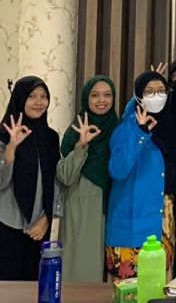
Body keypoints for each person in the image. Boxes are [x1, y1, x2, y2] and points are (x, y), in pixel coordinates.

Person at [0, 76, 61, 281]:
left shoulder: (51, 138)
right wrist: (11, 147)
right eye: (32, 96)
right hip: (3, 225)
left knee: (32, 289)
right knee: (3, 290)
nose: (39, 102)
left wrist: (47, 217)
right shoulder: (1, 135)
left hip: (37, 228)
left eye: (44, 96)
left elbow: (55, 182)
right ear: (20, 98)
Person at [106, 71, 176, 279]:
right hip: (132, 226)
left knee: (160, 287)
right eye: (149, 91)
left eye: (161, 90)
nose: (156, 96)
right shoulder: (126, 128)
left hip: (162, 221)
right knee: (130, 290)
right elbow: (117, 170)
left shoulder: (169, 126)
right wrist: (141, 133)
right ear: (138, 96)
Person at [56, 75, 119, 282]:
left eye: (107, 95)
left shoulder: (117, 128)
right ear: (86, 98)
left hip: (113, 205)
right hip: (82, 206)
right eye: (95, 95)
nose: (102, 100)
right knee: (82, 270)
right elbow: (65, 176)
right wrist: (81, 145)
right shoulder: (76, 129)